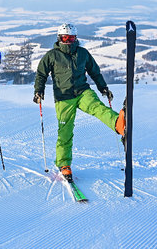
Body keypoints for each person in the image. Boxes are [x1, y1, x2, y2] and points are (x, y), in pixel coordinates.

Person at [33, 23, 126, 181]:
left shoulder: (83, 53)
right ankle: (64, 164)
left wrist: (103, 88)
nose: (68, 40)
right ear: (59, 38)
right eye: (65, 37)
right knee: (65, 132)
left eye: (71, 37)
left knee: (98, 107)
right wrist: (38, 91)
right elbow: (41, 74)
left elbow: (94, 71)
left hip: (83, 92)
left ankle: (118, 123)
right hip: (63, 98)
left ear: (76, 38)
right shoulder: (52, 55)